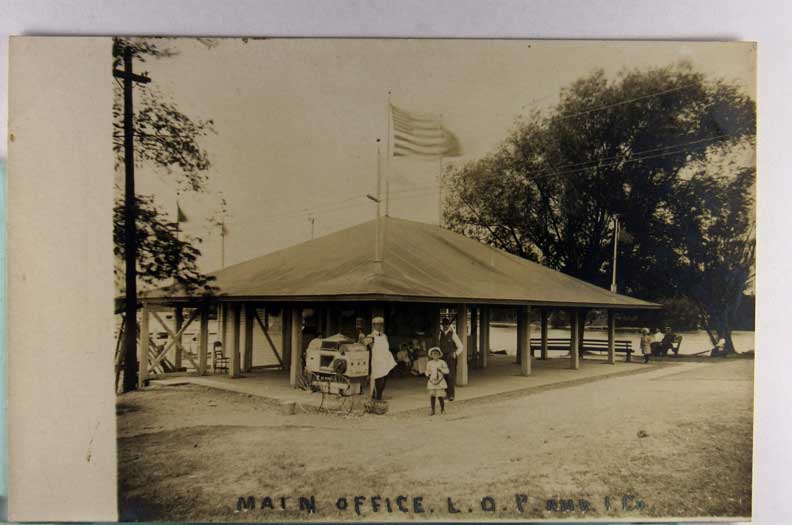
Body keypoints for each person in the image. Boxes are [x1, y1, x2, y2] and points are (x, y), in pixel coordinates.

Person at [365, 316, 396, 401]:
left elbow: (386, 348)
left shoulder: (384, 336)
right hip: (377, 360)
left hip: (385, 360)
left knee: (385, 379)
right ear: (374, 325)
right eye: (377, 324)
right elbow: (368, 347)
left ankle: (379, 395)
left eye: (381, 325)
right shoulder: (370, 336)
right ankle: (376, 396)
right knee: (378, 379)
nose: (379, 326)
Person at [438, 317, 464, 401]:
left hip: (450, 358)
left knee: (450, 376)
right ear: (442, 325)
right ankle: (447, 394)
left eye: (447, 324)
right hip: (442, 358)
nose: (445, 326)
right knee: (444, 376)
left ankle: (452, 395)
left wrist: (455, 354)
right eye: (444, 324)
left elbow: (461, 347)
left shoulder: (453, 334)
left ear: (449, 325)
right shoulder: (441, 334)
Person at [425, 347, 449, 415]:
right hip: (432, 381)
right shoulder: (429, 363)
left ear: (439, 355)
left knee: (440, 396)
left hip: (440, 381)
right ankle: (432, 410)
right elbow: (427, 371)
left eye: (436, 354)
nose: (435, 355)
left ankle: (442, 409)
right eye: (433, 354)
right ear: (431, 355)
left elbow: (447, 371)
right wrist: (429, 375)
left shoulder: (442, 362)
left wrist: (441, 370)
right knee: (432, 396)